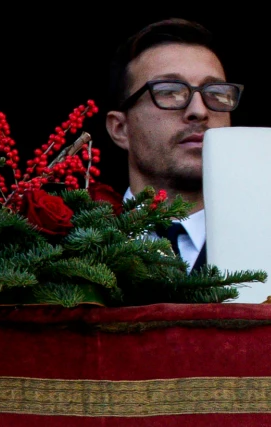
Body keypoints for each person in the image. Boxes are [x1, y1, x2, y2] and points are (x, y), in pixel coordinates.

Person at [104, 19, 243, 272]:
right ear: (120, 129)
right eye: (169, 91)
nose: (199, 111)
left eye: (216, 93)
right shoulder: (69, 246)